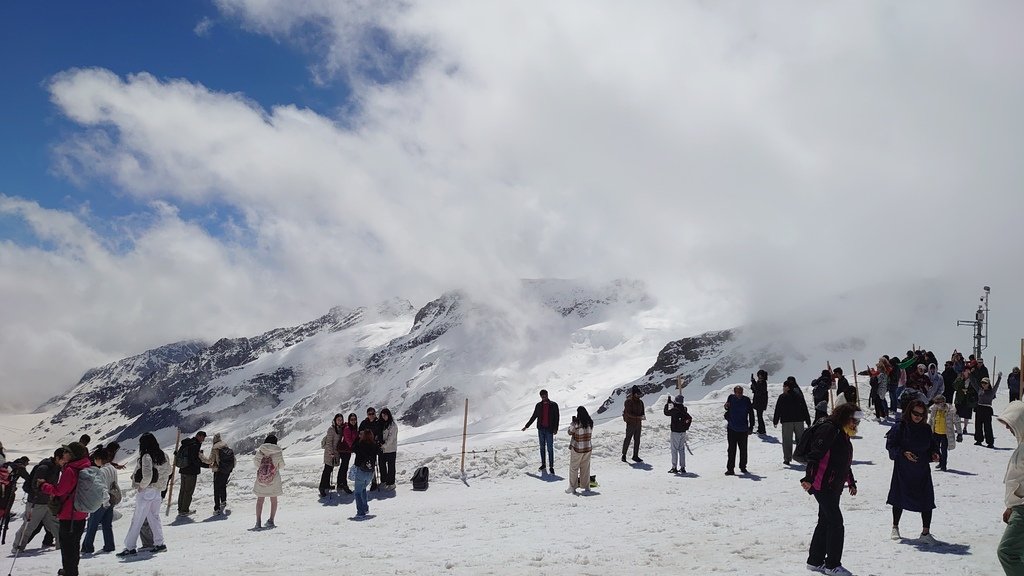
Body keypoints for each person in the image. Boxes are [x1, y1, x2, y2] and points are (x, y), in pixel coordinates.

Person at [800, 403, 859, 576]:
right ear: (844, 417)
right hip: (822, 484)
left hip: (834, 485)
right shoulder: (829, 430)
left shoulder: (842, 433)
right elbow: (815, 456)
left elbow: (843, 461)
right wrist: (809, 478)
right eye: (853, 420)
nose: (855, 424)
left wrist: (851, 482)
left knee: (825, 521)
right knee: (836, 522)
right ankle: (832, 564)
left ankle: (815, 561)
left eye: (857, 421)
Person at [886, 399, 940, 543]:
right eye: (915, 413)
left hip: (922, 470)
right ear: (909, 412)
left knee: (927, 500)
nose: (918, 417)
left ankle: (925, 533)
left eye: (921, 415)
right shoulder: (900, 427)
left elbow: (932, 446)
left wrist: (934, 454)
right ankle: (895, 527)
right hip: (903, 469)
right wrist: (903, 453)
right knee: (899, 498)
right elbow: (891, 446)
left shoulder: (926, 429)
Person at [39, 441, 91, 576]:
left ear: (72, 455)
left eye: (67, 452)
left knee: (67, 548)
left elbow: (60, 490)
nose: (64, 454)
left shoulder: (71, 470)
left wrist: (43, 486)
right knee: (74, 546)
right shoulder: (85, 467)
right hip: (80, 513)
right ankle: (72, 571)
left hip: (69, 515)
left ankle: (69, 572)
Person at [118, 433, 171, 557]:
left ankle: (130, 547)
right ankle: (159, 543)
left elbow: (147, 476)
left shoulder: (146, 456)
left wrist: (141, 486)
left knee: (137, 519)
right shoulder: (164, 455)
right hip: (157, 491)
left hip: (147, 491)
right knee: (154, 518)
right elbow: (168, 471)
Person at [12, 447, 65, 552]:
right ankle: (17, 547)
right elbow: (34, 486)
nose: (65, 461)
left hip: (48, 502)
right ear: (57, 458)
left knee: (55, 525)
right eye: (64, 459)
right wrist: (47, 491)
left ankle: (62, 546)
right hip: (36, 503)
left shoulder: (56, 468)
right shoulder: (44, 468)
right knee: (29, 526)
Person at [996, 401, 1024, 574]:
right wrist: (1010, 506)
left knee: (1007, 552)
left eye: (1010, 424)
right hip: (1018, 507)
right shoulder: (1022, 445)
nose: (1008, 428)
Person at [81, 448, 119, 554]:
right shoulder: (112, 468)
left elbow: (102, 487)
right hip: (112, 498)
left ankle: (87, 546)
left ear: (99, 459)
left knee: (92, 524)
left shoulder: (101, 471)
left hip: (102, 501)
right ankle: (109, 545)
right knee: (107, 524)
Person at [774, 377, 812, 465]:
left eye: (784, 386)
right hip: (799, 420)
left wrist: (776, 420)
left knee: (787, 440)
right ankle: (801, 456)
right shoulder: (799, 395)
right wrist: (807, 419)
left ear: (787, 387)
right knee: (801, 439)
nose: (783, 388)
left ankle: (787, 458)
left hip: (787, 421)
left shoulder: (782, 397)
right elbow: (804, 408)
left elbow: (778, 409)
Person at [522, 390, 560, 474]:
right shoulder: (538, 405)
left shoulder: (553, 405)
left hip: (549, 430)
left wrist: (555, 429)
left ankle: (551, 466)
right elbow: (534, 416)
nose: (544, 397)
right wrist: (526, 426)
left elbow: (557, 417)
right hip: (541, 429)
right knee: (542, 447)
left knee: (550, 448)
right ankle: (543, 464)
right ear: (540, 396)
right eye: (542, 396)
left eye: (545, 395)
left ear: (547, 395)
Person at [253, 434, 284, 530]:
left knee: (260, 500)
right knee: (273, 499)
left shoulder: (260, 451)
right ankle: (271, 520)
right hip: (274, 478)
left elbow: (256, 463)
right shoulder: (278, 452)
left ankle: (258, 522)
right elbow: (282, 465)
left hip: (261, 479)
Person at [724, 385, 755, 475]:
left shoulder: (746, 400)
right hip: (732, 428)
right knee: (731, 450)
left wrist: (751, 427)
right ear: (734, 392)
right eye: (737, 392)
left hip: (743, 429)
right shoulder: (731, 398)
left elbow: (751, 413)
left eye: (740, 392)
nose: (739, 394)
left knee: (743, 449)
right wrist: (726, 406)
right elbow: (727, 407)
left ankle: (743, 466)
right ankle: (730, 469)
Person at [176, 430, 208, 516]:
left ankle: (180, 509)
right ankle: (184, 510)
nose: (203, 440)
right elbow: (195, 460)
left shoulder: (187, 443)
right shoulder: (195, 445)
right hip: (191, 471)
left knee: (182, 490)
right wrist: (207, 466)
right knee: (188, 491)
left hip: (183, 469)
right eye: (203, 438)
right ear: (199, 436)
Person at [202, 433, 234, 514]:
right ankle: (223, 501)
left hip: (218, 471)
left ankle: (217, 508)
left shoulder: (215, 447)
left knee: (216, 489)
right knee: (223, 485)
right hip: (227, 470)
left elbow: (210, 460)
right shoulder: (225, 445)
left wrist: (201, 455)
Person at [351, 429, 379, 518]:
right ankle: (365, 508)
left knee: (358, 492)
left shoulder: (360, 445)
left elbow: (352, 447)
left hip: (361, 471)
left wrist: (358, 438)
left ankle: (361, 511)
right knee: (363, 489)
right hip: (370, 472)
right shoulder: (374, 445)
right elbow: (379, 451)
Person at [566, 406, 594, 494]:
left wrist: (572, 422)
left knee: (574, 468)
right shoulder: (590, 422)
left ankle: (572, 487)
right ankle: (586, 486)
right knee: (585, 468)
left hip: (577, 448)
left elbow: (570, 432)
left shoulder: (576, 423)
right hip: (588, 448)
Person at [928, 395, 959, 471]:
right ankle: (941, 462)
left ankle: (944, 465)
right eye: (936, 403)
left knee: (944, 450)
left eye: (938, 403)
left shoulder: (950, 410)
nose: (937, 405)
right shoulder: (934, 410)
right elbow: (931, 420)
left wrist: (960, 433)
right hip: (936, 433)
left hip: (945, 434)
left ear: (943, 402)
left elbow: (957, 421)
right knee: (936, 450)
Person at [664, 394, 693, 474]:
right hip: (683, 431)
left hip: (675, 432)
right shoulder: (684, 409)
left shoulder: (675, 409)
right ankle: (682, 467)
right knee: (681, 449)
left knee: (674, 449)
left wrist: (667, 404)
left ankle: (674, 467)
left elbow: (666, 412)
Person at [320, 414, 345, 497]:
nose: (340, 421)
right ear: (335, 420)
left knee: (330, 469)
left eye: (341, 420)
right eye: (338, 420)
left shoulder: (340, 428)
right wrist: (331, 453)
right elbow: (329, 442)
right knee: (327, 470)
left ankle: (326, 485)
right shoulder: (331, 429)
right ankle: (322, 487)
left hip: (334, 453)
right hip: (330, 453)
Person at [359, 407, 384, 489]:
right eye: (369, 414)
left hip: (376, 446)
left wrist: (378, 440)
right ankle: (371, 481)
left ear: (375, 413)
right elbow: (360, 433)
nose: (371, 415)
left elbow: (381, 433)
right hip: (366, 447)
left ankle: (377, 481)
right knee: (369, 464)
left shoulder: (378, 422)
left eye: (373, 413)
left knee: (376, 463)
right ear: (367, 415)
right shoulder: (364, 423)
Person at [976, 374, 1003, 447]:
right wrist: (970, 374)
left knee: (987, 426)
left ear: (988, 384)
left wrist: (999, 378)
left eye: (985, 383)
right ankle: (978, 440)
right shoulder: (979, 390)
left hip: (987, 409)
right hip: (979, 408)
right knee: (978, 425)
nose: (983, 384)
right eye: (982, 383)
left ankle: (990, 442)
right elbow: (973, 382)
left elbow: (996, 386)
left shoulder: (991, 391)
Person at [622, 386, 646, 463]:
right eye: (637, 394)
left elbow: (642, 411)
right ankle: (624, 455)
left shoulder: (641, 402)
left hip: (638, 423)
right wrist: (638, 417)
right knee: (628, 439)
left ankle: (635, 455)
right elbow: (628, 413)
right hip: (630, 423)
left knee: (637, 440)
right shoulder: (628, 401)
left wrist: (642, 416)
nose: (639, 396)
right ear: (634, 394)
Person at [953, 368, 977, 442]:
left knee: (966, 414)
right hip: (960, 398)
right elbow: (955, 386)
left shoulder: (972, 379)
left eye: (968, 371)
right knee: (957, 414)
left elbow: (975, 387)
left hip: (968, 399)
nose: (966, 372)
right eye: (965, 371)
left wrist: (969, 391)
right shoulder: (959, 378)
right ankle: (958, 428)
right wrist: (960, 379)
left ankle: (965, 428)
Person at [337, 414, 358, 494]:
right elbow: (349, 442)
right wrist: (356, 448)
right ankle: (344, 485)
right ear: (349, 420)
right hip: (345, 451)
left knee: (343, 467)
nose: (353, 421)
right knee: (344, 467)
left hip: (347, 451)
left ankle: (340, 483)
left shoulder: (354, 428)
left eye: (354, 419)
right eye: (351, 419)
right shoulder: (347, 428)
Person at [378, 408, 398, 490]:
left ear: (388, 415)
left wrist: (383, 445)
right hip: (382, 449)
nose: (384, 417)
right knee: (382, 466)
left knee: (391, 467)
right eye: (382, 415)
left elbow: (391, 438)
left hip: (390, 449)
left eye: (385, 415)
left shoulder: (393, 425)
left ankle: (391, 483)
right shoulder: (381, 424)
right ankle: (384, 481)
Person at [751, 370, 769, 435]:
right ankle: (761, 429)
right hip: (758, 402)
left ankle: (762, 429)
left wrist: (753, 382)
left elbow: (758, 391)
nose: (759, 377)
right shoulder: (760, 382)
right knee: (759, 416)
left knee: (760, 416)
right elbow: (755, 389)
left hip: (760, 402)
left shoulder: (763, 383)